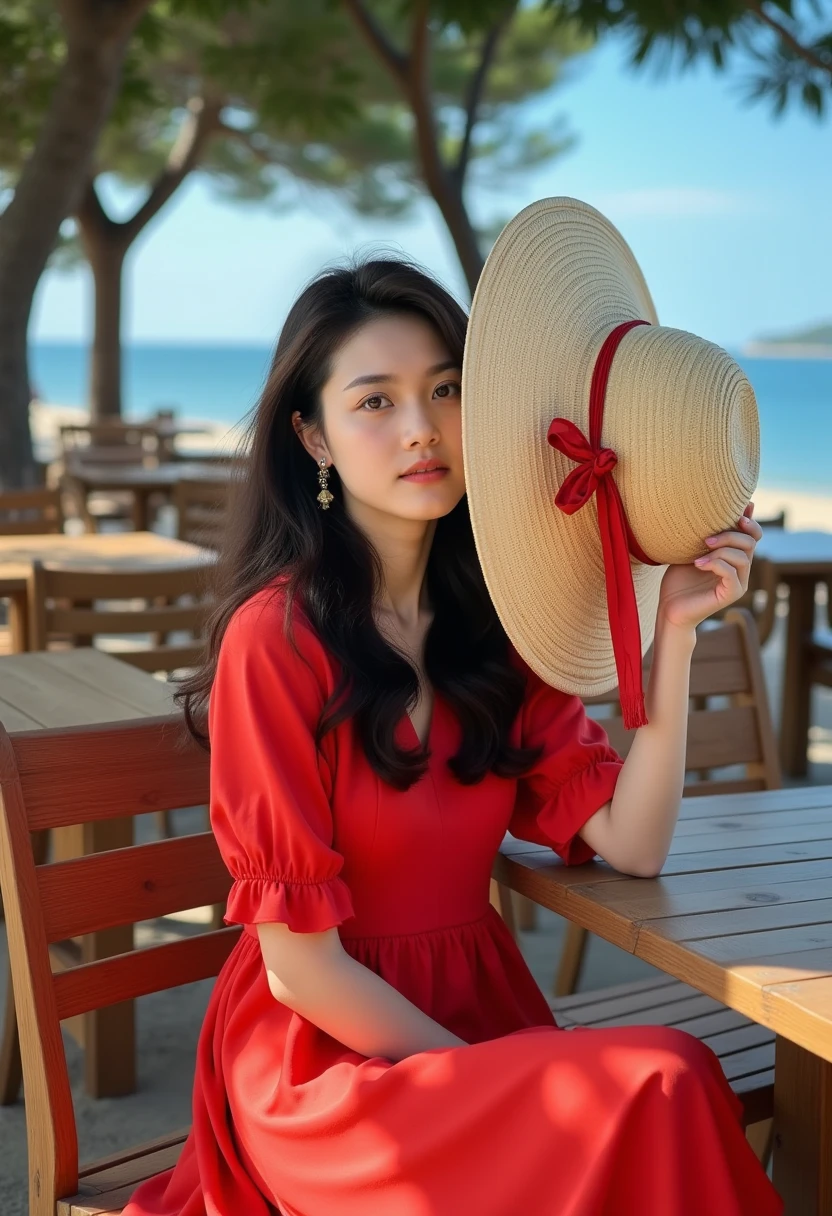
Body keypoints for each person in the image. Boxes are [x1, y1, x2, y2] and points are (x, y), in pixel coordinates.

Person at [123, 254, 782, 1216]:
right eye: (375, 402)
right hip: (329, 1068)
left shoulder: (496, 630)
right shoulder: (277, 639)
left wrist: (673, 632)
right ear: (312, 436)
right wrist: (491, 1083)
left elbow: (632, 847)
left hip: (478, 1024)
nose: (422, 429)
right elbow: (298, 968)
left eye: (444, 390)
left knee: (660, 1090)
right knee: (664, 1080)